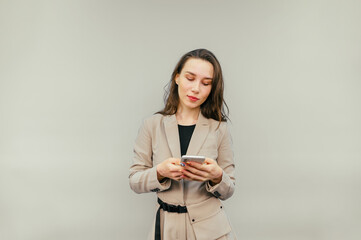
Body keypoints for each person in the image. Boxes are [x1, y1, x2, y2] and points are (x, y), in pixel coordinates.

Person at [129, 48, 236, 240]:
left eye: (206, 83)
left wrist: (217, 176)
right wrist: (159, 172)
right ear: (177, 77)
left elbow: (229, 189)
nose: (196, 88)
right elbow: (135, 181)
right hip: (166, 228)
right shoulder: (152, 125)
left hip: (211, 231)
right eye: (190, 78)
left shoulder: (219, 128)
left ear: (212, 88)